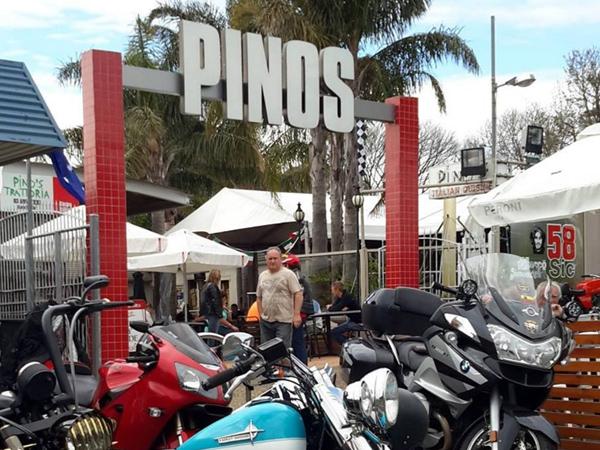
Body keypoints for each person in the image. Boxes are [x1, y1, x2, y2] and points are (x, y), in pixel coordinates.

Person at [256, 247, 303, 349]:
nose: (272, 261)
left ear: (280, 259)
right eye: (270, 259)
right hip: (266, 321)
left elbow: (298, 294)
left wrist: (296, 314)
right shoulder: (262, 276)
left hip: (284, 320)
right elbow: (259, 297)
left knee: (282, 350)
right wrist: (261, 315)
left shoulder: (288, 274)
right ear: (266, 260)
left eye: (275, 258)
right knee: (267, 350)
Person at [282, 254, 313, 364]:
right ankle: (301, 364)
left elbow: (297, 296)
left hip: (299, 313)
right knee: (297, 340)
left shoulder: (294, 277)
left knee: (296, 341)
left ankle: (301, 364)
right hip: (301, 312)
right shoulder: (298, 276)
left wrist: (296, 313)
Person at [199, 269, 238, 333]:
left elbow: (203, 301)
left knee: (211, 333)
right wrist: (219, 314)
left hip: (207, 313)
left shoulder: (205, 286)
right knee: (213, 334)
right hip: (213, 313)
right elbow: (215, 301)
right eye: (218, 278)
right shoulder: (213, 286)